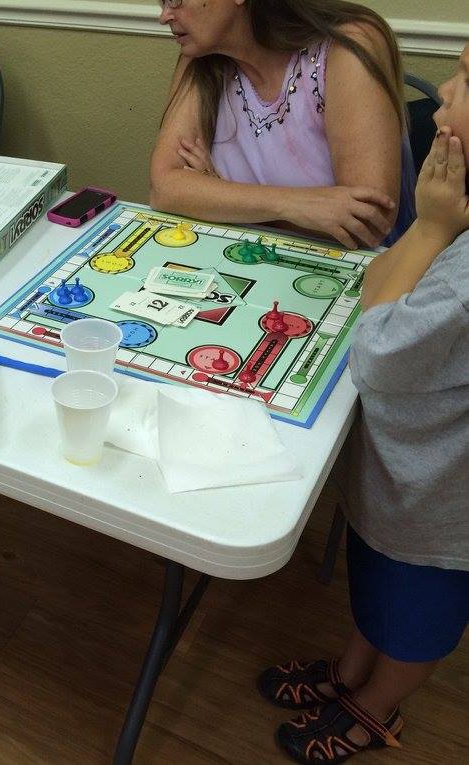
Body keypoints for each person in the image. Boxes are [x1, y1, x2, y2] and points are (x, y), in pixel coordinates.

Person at [257, 45, 468, 764]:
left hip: (440, 504)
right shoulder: (457, 214)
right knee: (373, 578)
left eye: (468, 77)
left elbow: (371, 348)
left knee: (417, 617)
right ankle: (351, 673)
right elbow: (377, 283)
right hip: (402, 475)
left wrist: (431, 230)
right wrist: (431, 228)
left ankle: (377, 708)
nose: (443, 89)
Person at [150, 0, 415, 249]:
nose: (165, 16)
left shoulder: (348, 44)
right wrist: (293, 205)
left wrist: (218, 194)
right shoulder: (201, 60)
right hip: (252, 260)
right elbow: (164, 189)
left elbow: (366, 222)